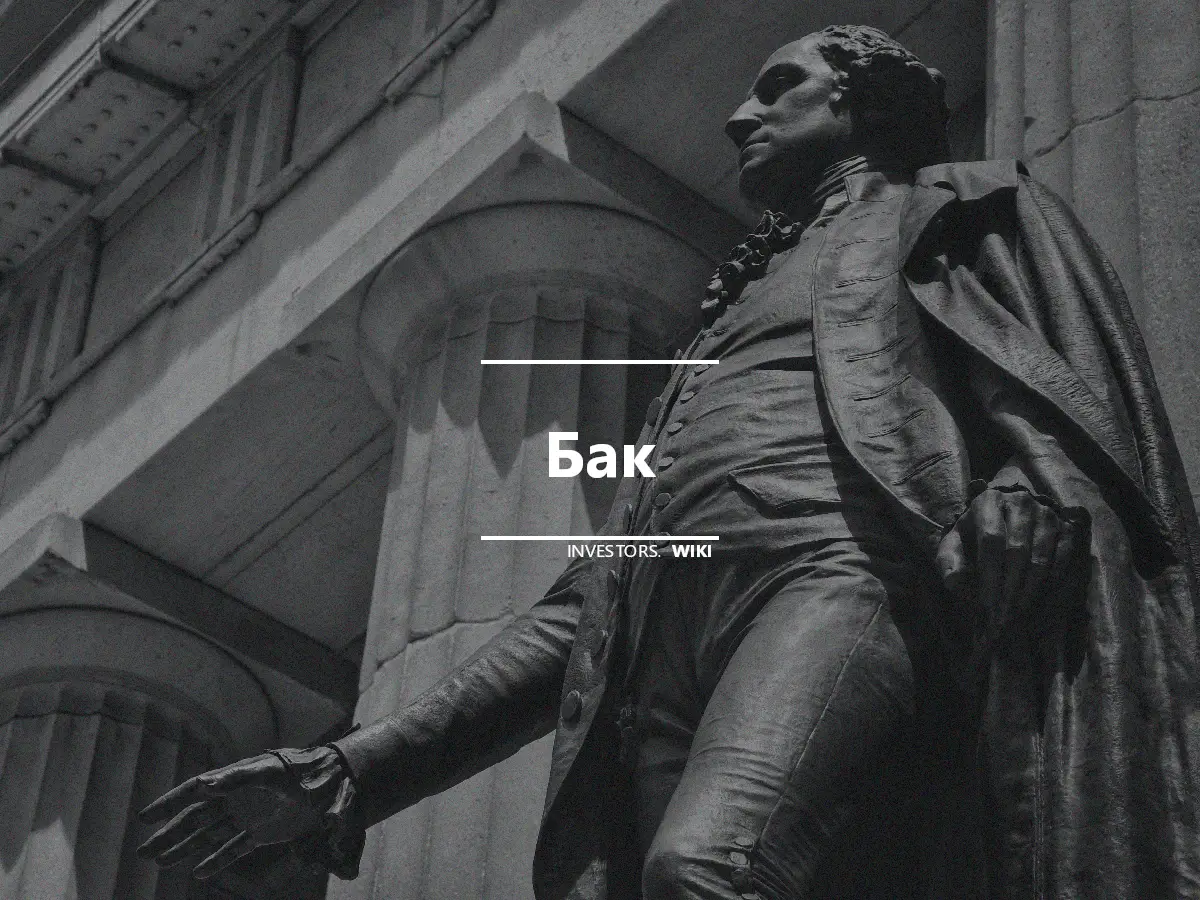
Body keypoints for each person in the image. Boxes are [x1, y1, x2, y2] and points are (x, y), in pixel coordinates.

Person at [136, 25, 1200, 899]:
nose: (739, 115)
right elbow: (585, 606)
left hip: (838, 572)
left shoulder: (957, 211)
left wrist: (1029, 485)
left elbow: (1071, 401)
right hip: (665, 646)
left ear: (863, 101)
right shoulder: (715, 332)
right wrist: (355, 768)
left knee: (704, 869)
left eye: (780, 87)